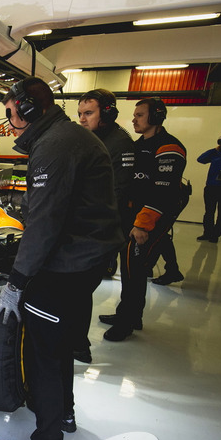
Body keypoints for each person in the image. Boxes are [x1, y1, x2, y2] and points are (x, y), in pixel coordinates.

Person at [0, 77, 122, 440]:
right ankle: (63, 413)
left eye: (11, 113)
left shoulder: (53, 146)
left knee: (41, 352)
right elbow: (58, 197)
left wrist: (16, 283)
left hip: (66, 265)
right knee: (61, 342)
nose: (9, 121)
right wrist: (22, 200)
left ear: (28, 111)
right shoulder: (67, 137)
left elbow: (44, 224)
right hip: (86, 261)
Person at [100, 98, 187, 341]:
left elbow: (163, 191)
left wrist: (142, 224)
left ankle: (126, 323)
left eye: (139, 115)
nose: (134, 119)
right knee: (130, 270)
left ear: (156, 117)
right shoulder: (139, 145)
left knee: (135, 270)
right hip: (133, 216)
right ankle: (129, 314)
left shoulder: (170, 147)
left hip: (150, 220)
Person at [74, 88, 135, 362]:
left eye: (88, 113)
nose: (82, 120)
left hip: (100, 231)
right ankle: (76, 342)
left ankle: (78, 346)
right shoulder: (95, 139)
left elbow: (118, 193)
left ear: (107, 113)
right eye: (80, 114)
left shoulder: (119, 144)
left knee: (79, 287)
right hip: (91, 227)